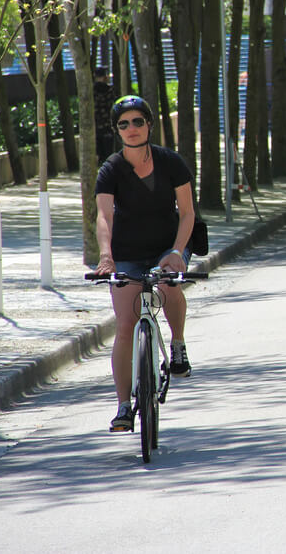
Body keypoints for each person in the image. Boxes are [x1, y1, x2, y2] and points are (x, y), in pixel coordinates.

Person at [94, 96, 197, 433]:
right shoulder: (111, 169)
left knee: (169, 283)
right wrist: (107, 256)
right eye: (124, 124)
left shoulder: (171, 163)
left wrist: (177, 252)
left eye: (138, 121)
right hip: (127, 252)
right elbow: (104, 216)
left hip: (167, 246)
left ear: (149, 124)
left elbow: (188, 213)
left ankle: (178, 345)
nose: (132, 129)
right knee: (125, 325)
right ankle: (124, 406)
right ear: (117, 131)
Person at [93, 67, 116, 163]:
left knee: (99, 152)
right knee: (108, 151)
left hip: (96, 126)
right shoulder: (110, 90)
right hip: (107, 125)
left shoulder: (91, 91)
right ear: (105, 77)